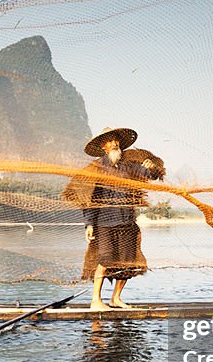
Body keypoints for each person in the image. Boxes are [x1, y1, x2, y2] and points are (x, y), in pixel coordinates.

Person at [65, 127, 160, 311]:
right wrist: (89, 224)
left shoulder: (128, 166)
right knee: (105, 259)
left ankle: (116, 298)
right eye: (110, 141)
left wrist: (152, 168)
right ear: (104, 146)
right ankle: (96, 301)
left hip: (127, 222)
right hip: (105, 223)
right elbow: (90, 199)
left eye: (116, 141)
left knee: (127, 262)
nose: (115, 143)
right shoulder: (97, 169)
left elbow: (149, 175)